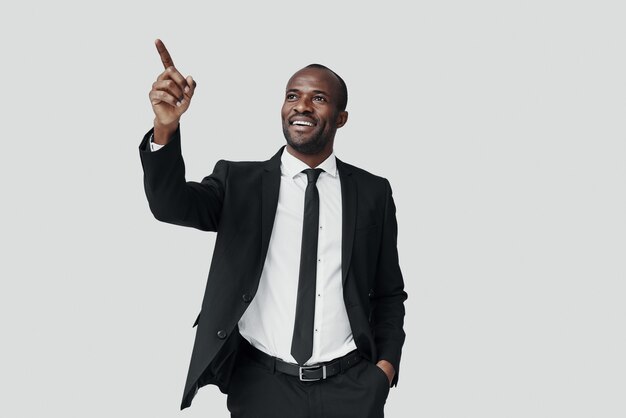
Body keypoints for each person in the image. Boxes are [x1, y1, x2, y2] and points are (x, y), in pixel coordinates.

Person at [139, 39, 407, 418]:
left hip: (352, 386)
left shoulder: (372, 192)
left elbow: (390, 292)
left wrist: (384, 370)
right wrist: (165, 129)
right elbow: (169, 206)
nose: (301, 105)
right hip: (262, 386)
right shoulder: (239, 181)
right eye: (292, 95)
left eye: (318, 98)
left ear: (341, 117)